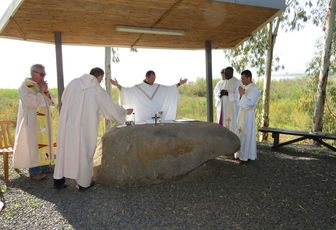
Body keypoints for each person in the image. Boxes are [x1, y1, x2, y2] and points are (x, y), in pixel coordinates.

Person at [53, 67, 133, 191]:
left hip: (68, 124)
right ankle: (83, 184)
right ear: (99, 76)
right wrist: (124, 112)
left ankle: (58, 180)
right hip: (85, 127)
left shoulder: (73, 83)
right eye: (100, 80)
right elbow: (110, 108)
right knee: (83, 153)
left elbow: (64, 99)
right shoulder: (97, 90)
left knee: (65, 149)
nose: (100, 82)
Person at [13, 64, 56, 181]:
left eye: (44, 74)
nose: (43, 76)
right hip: (31, 123)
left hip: (43, 124)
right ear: (33, 73)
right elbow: (31, 103)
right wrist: (41, 92)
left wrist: (46, 92)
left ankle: (45, 165)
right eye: (41, 74)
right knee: (33, 146)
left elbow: (52, 102)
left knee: (44, 143)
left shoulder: (39, 86)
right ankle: (34, 171)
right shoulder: (25, 86)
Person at [111, 70, 187, 122]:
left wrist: (179, 83)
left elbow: (169, 89)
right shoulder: (138, 88)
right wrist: (117, 85)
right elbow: (126, 91)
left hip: (156, 119)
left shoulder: (158, 87)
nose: (153, 80)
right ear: (146, 77)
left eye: (154, 78)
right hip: (142, 119)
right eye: (152, 78)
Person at [234, 69, 260, 162]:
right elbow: (238, 101)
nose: (241, 80)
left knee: (246, 135)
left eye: (243, 78)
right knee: (240, 133)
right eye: (241, 78)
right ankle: (238, 153)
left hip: (248, 115)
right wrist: (241, 95)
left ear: (249, 78)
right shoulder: (243, 87)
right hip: (241, 114)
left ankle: (246, 156)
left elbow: (250, 103)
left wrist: (242, 94)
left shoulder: (255, 89)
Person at [213, 67, 241, 132]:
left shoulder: (237, 82)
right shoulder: (221, 82)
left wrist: (228, 93)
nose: (225, 76)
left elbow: (238, 96)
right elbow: (216, 92)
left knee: (232, 126)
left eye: (226, 74)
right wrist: (220, 95)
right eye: (224, 74)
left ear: (231, 73)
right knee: (223, 125)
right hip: (222, 109)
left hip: (232, 109)